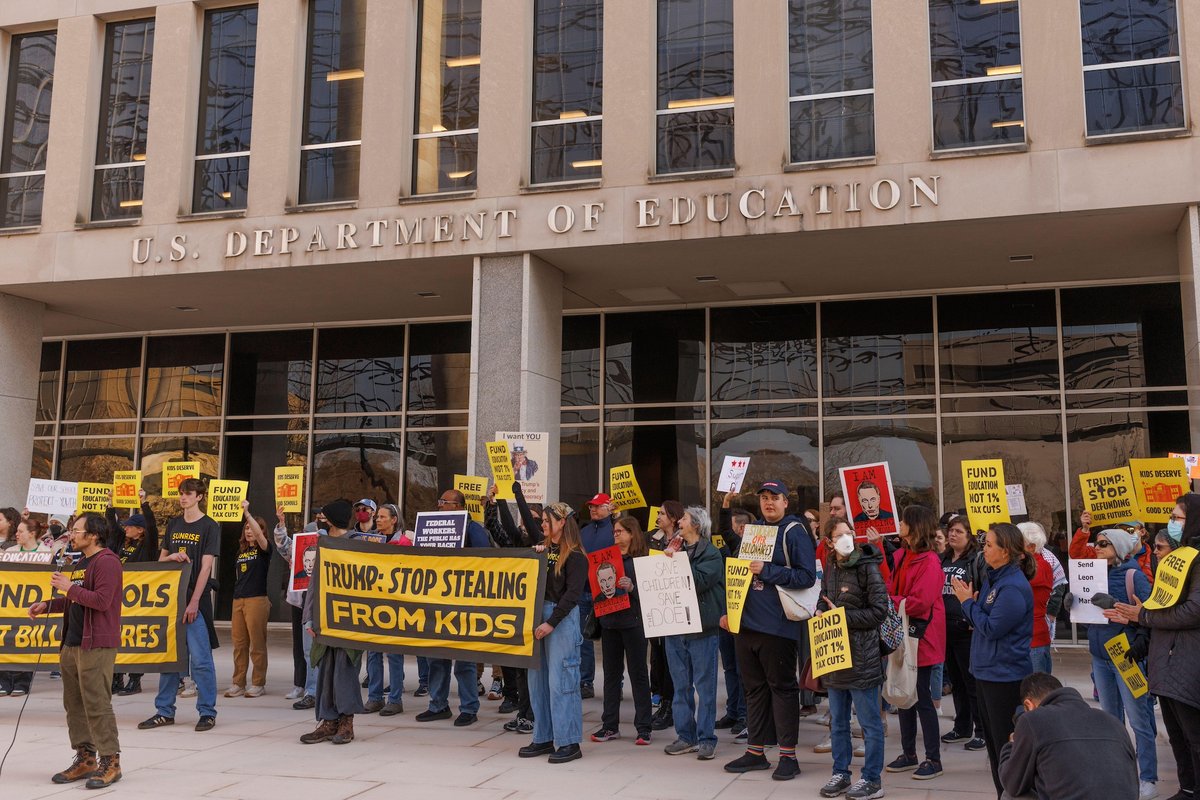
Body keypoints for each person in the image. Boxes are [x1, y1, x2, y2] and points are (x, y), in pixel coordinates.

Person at [722, 480, 816, 782]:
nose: (768, 502)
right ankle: (756, 752)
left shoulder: (795, 531)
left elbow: (807, 577)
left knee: (783, 689)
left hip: (778, 625)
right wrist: (731, 610)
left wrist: (768, 570)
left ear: (786, 501)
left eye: (774, 497)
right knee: (754, 690)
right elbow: (740, 571)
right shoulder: (755, 530)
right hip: (747, 624)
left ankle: (788, 756)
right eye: (763, 498)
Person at [1110, 492, 1200, 800]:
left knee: (1194, 737)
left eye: (1177, 518)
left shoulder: (1197, 560)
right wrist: (1136, 617)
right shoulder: (1177, 560)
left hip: (1188, 663)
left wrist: (1144, 614)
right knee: (1178, 737)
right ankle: (1187, 789)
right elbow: (1162, 612)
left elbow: (1193, 610)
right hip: (1167, 663)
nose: (1171, 522)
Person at [30, 513, 124, 789]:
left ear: (93, 535)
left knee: (97, 703)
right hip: (72, 642)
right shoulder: (83, 562)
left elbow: (102, 601)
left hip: (96, 643)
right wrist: (49, 605)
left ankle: (111, 761)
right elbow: (78, 597)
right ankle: (86, 758)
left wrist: (69, 588)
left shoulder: (107, 562)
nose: (72, 534)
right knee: (74, 705)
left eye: (77, 530)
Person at [951, 522, 1035, 797]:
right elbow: (984, 619)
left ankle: (1012, 793)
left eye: (989, 545)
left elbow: (992, 627)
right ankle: (1003, 792)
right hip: (987, 671)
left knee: (1005, 746)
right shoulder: (993, 577)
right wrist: (975, 606)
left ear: (1006, 551)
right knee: (994, 746)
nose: (983, 549)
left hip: (1005, 676)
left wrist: (967, 603)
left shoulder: (1012, 586)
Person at [139, 477, 220, 732]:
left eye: (188, 493)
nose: (183, 497)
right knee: (170, 659)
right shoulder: (174, 524)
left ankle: (207, 712)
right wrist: (172, 557)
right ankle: (164, 710)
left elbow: (207, 566)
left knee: (201, 660)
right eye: (181, 493)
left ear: (199, 496)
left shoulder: (210, 526)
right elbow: (160, 561)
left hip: (195, 600)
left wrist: (195, 601)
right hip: (172, 600)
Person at [817, 519, 889, 800]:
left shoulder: (867, 566)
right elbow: (824, 598)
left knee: (869, 724)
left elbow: (878, 612)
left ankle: (872, 779)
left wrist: (841, 617)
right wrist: (822, 611)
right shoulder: (831, 568)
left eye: (850, 532)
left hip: (863, 657)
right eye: (840, 534)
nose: (847, 537)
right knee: (838, 722)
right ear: (829, 542)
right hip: (835, 656)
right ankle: (841, 773)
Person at [1089, 527, 1157, 799]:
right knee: (1110, 721)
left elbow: (1150, 615)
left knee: (1139, 720)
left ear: (1118, 548)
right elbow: (1090, 618)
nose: (1097, 547)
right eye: (1096, 543)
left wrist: (1117, 605)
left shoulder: (1134, 576)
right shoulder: (1092, 575)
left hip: (1126, 656)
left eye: (1104, 544)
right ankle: (1116, 773)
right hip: (1099, 656)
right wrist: (1071, 605)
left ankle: (1148, 777)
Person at [519, 501, 588, 764]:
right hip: (539, 615)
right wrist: (513, 491)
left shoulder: (576, 555)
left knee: (561, 682)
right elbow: (526, 517)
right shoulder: (544, 548)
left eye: (548, 521)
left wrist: (552, 622)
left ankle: (569, 741)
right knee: (537, 681)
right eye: (543, 521)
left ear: (562, 523)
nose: (544, 525)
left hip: (561, 619)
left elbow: (572, 595)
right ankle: (544, 736)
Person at [997, 672, 1137, 800]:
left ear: (1029, 705)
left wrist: (1011, 746)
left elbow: (1012, 783)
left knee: (1010, 795)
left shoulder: (1033, 719)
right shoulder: (1113, 722)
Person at [416, 488, 489, 726]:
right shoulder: (431, 527)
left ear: (458, 507)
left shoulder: (473, 529)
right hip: (436, 602)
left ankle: (469, 707)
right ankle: (438, 705)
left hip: (462, 603)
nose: (439, 506)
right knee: (435, 657)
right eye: (439, 502)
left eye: (444, 502)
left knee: (464, 659)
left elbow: (485, 560)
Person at [885, 504, 947, 781]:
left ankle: (933, 758)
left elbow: (920, 603)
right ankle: (909, 753)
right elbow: (889, 586)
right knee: (904, 697)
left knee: (921, 698)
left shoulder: (930, 561)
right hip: (904, 633)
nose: (899, 523)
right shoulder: (902, 555)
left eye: (904, 520)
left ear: (915, 526)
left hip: (923, 637)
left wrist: (892, 602)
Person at [299, 500, 366, 744]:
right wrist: (308, 617)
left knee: (345, 670)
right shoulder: (323, 544)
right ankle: (328, 722)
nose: (320, 521)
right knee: (326, 670)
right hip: (325, 619)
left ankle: (346, 722)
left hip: (349, 618)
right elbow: (314, 583)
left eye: (324, 517)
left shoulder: (357, 543)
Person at [662, 506, 725, 761]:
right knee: (680, 687)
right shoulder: (673, 548)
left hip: (702, 629)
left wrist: (675, 559)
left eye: (685, 518)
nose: (680, 521)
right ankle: (686, 736)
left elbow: (696, 582)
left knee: (705, 687)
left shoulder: (711, 554)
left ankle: (707, 738)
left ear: (696, 526)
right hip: (675, 627)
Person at [591, 515, 653, 745]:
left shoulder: (642, 559)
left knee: (638, 675)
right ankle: (609, 726)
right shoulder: (608, 559)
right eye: (614, 532)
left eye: (620, 531)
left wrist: (633, 587)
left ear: (631, 533)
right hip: (610, 624)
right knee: (611, 676)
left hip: (634, 624)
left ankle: (644, 727)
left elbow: (650, 594)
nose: (616, 535)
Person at [940, 514, 986, 751]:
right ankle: (962, 725)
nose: (953, 534)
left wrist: (974, 617)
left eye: (958, 531)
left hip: (966, 628)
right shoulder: (943, 558)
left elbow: (983, 590)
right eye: (951, 530)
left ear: (969, 536)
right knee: (956, 680)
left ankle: (981, 730)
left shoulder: (975, 561)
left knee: (971, 681)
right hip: (945, 627)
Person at [273, 508, 320, 710]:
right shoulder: (299, 548)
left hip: (320, 603)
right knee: (306, 650)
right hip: (302, 603)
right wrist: (281, 525)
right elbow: (283, 546)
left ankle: (317, 689)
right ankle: (309, 689)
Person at [225, 503, 271, 699]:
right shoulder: (241, 551)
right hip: (239, 600)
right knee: (239, 644)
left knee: (257, 644)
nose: (250, 530)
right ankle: (238, 682)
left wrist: (247, 514)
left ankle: (258, 682)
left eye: (253, 527)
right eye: (246, 527)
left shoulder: (264, 550)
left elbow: (261, 538)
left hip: (256, 599)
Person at [0, 518, 51, 698]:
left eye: (21, 531)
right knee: (6, 639)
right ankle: (4, 681)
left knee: (28, 640)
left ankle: (22, 682)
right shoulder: (10, 551)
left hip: (32, 604)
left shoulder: (46, 553)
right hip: (10, 604)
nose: (17, 534)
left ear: (32, 534)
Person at [366, 503, 407, 715]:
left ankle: (395, 699)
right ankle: (374, 697)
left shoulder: (405, 542)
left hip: (396, 605)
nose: (378, 520)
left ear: (394, 520)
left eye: (382, 517)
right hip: (373, 603)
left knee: (394, 654)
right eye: (377, 517)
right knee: (373, 653)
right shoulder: (369, 541)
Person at [715, 492, 750, 737]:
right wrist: (725, 504)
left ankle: (745, 714)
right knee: (729, 667)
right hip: (728, 614)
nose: (739, 530)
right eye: (738, 527)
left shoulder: (756, 552)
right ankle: (733, 711)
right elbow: (724, 531)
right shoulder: (733, 549)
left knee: (742, 669)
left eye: (743, 526)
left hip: (746, 617)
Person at [649, 500, 685, 731]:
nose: (658, 517)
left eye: (662, 513)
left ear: (673, 518)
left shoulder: (683, 540)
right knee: (658, 656)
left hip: (676, 605)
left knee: (673, 658)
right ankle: (661, 700)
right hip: (655, 603)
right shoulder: (652, 537)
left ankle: (671, 705)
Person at [577, 492, 616, 699]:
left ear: (608, 508)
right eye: (591, 506)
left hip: (607, 592)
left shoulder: (615, 530)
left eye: (598, 506)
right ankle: (585, 682)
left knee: (612, 639)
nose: (593, 509)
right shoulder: (584, 531)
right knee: (584, 638)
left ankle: (615, 684)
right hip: (584, 591)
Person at [1017, 522, 1055, 676]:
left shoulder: (1041, 566)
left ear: (1031, 547)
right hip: (1025, 638)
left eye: (1018, 543)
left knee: (1037, 692)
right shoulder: (1026, 565)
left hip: (1034, 639)